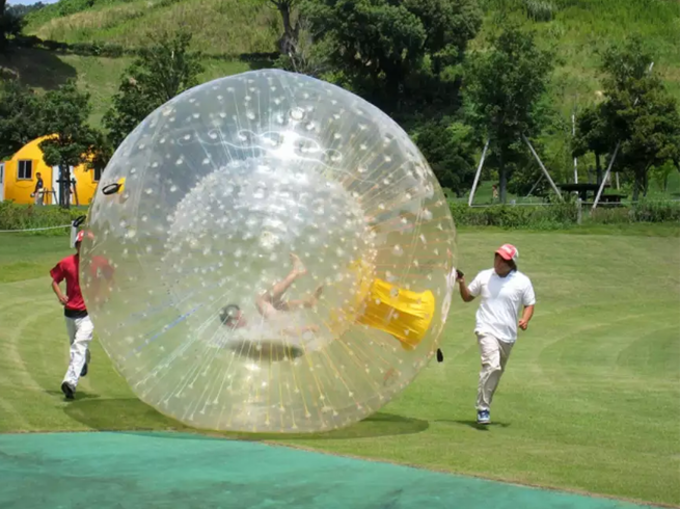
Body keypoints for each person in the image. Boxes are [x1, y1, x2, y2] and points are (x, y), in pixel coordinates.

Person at [457, 243, 536, 425]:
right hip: (486, 328)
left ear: (511, 264)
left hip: (508, 335)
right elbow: (468, 297)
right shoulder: (485, 276)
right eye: (497, 257)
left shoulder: (522, 281)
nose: (498, 262)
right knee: (491, 366)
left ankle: (485, 405)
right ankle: (482, 408)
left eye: (504, 260)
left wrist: (525, 319)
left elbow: (529, 304)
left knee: (496, 373)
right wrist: (462, 283)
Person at [220, 253, 323, 337]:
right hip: (279, 324)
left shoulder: (246, 325)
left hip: (279, 321)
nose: (242, 314)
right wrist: (307, 328)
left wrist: (307, 328)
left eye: (240, 312)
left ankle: (308, 303)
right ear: (230, 324)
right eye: (238, 315)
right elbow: (281, 331)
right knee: (260, 301)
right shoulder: (242, 333)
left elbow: (281, 331)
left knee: (273, 304)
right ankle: (295, 272)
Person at [50, 230, 94, 400]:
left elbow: (109, 279)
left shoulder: (97, 263)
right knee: (76, 345)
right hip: (70, 312)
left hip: (88, 314)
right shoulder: (67, 263)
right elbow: (55, 280)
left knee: (79, 344)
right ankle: (82, 362)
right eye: (80, 245)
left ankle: (70, 383)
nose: (83, 248)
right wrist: (60, 295)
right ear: (76, 245)